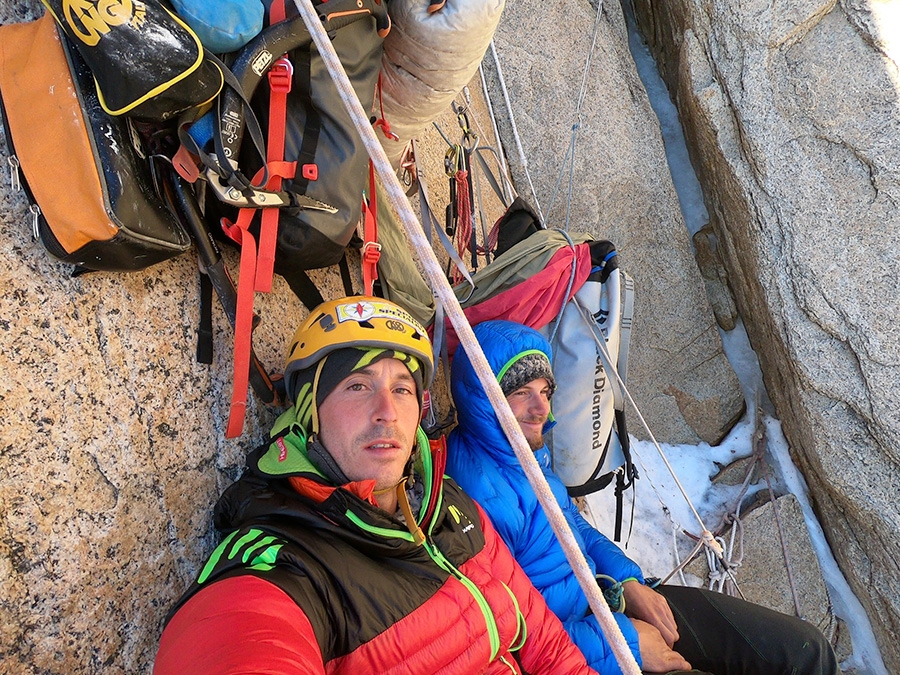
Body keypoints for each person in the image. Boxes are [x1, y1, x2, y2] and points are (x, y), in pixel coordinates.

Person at [154, 297, 599, 675]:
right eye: (357, 385)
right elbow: (242, 634)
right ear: (311, 412)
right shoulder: (287, 563)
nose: (386, 410)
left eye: (402, 389)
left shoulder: (450, 505)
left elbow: (546, 641)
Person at [446, 319, 840, 675]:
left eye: (546, 391)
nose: (540, 409)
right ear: (483, 397)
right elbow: (505, 634)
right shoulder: (467, 495)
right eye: (520, 393)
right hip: (586, 647)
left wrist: (628, 581)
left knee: (806, 653)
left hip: (609, 602)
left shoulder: (525, 457)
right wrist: (624, 641)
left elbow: (573, 526)